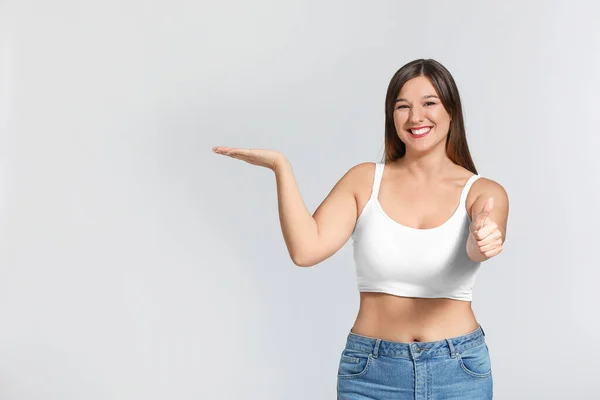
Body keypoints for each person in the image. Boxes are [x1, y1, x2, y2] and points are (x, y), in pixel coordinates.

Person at [212, 58, 509, 399]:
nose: (415, 117)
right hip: (371, 372)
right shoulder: (365, 180)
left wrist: (483, 239)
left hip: (457, 372)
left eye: (429, 103)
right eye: (403, 106)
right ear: (390, 116)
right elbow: (306, 250)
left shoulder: (484, 192)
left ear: (451, 111)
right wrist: (281, 167)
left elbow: (480, 242)